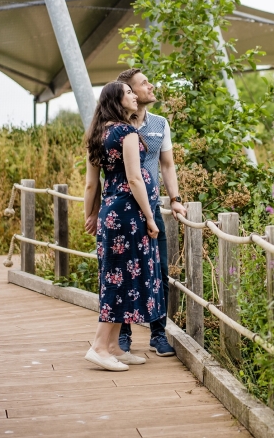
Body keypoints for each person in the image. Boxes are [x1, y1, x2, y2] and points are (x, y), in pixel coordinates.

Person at [94, 68, 186, 357]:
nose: (147, 87)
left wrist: (176, 198)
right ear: (126, 92)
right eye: (140, 85)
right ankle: (120, 339)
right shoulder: (118, 126)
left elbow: (167, 165)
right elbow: (102, 176)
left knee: (157, 271)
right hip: (126, 211)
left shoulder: (159, 124)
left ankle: (158, 335)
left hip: (150, 207)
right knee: (123, 271)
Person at [83, 81, 165, 371]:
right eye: (128, 93)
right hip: (129, 215)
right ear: (117, 101)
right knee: (119, 280)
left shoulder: (97, 134)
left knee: (117, 277)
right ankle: (98, 346)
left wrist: (90, 214)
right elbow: (134, 178)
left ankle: (115, 346)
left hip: (110, 213)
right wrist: (151, 217)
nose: (134, 96)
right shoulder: (126, 131)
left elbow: (92, 183)